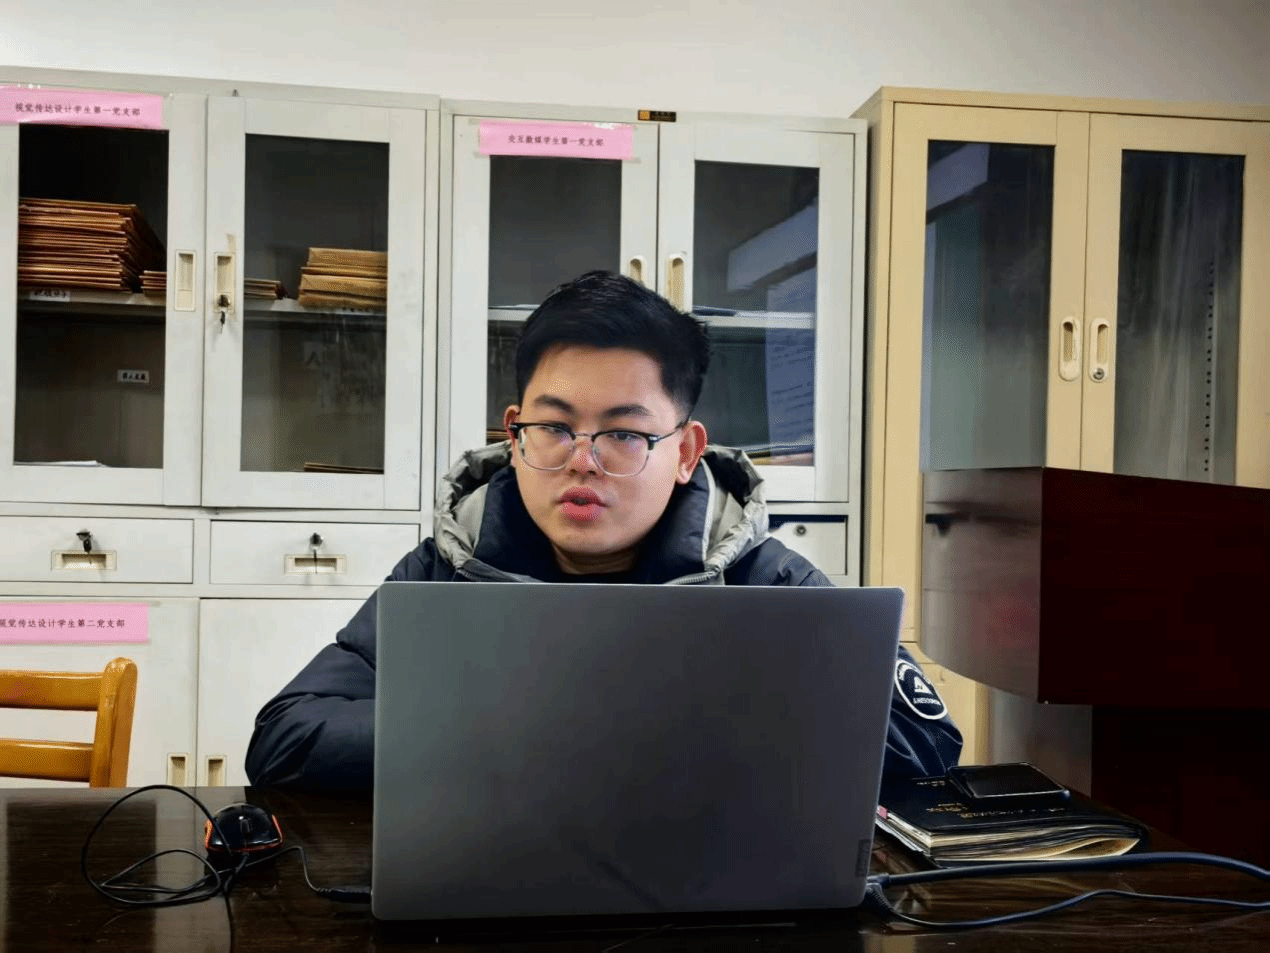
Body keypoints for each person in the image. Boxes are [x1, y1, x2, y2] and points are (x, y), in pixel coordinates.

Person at [245, 271, 962, 790]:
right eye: (554, 427)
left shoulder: (759, 576)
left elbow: (924, 741)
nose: (581, 461)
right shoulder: (450, 564)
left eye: (624, 434)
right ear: (514, 434)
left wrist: (640, 728)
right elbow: (285, 739)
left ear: (686, 452)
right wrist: (518, 733)